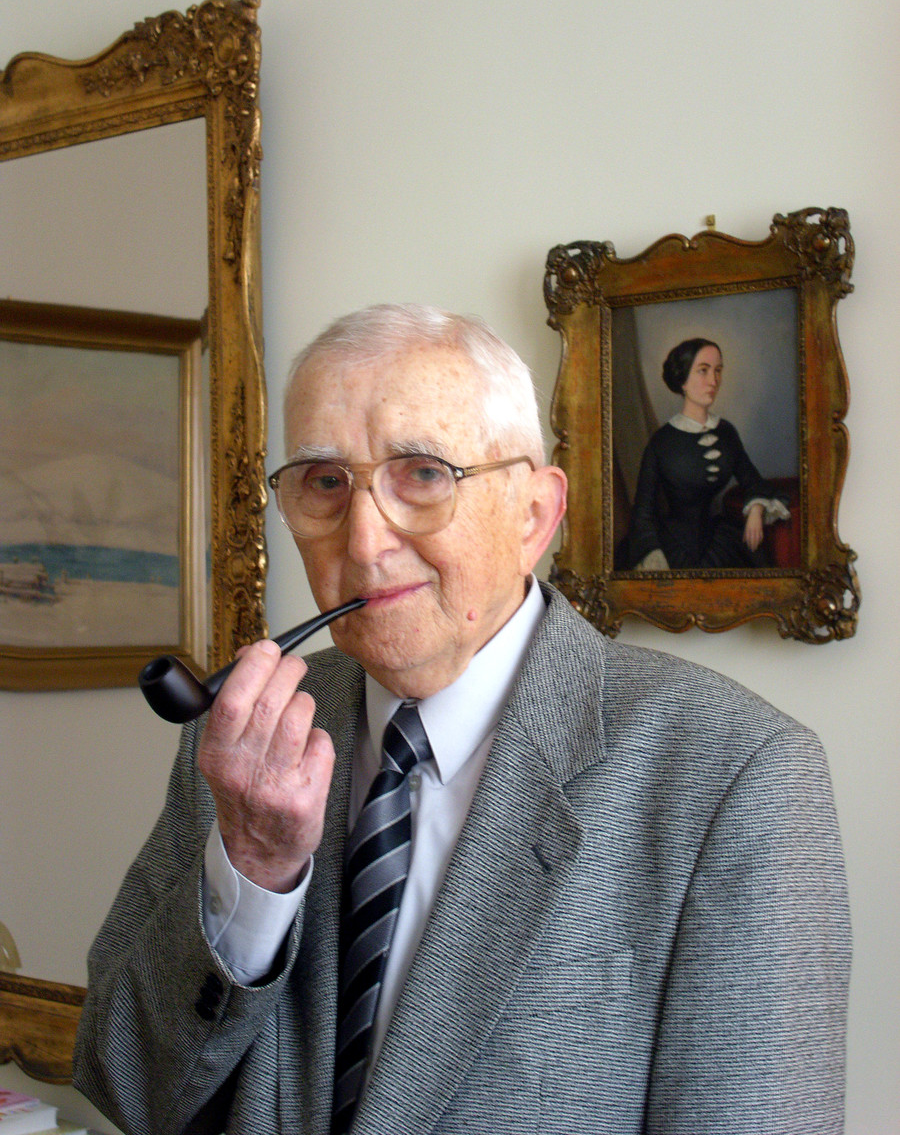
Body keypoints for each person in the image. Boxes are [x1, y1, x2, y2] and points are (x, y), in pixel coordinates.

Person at [74, 304, 850, 1135]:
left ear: (533, 516)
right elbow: (126, 1088)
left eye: (423, 474)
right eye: (325, 483)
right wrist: (253, 871)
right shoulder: (245, 743)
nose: (364, 543)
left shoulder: (739, 776)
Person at [626, 338, 790, 570]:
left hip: (719, 539)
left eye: (718, 370)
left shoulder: (726, 432)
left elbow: (752, 480)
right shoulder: (661, 441)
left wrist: (756, 509)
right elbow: (643, 509)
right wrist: (652, 552)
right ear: (682, 379)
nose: (714, 381)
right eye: (703, 370)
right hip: (671, 544)